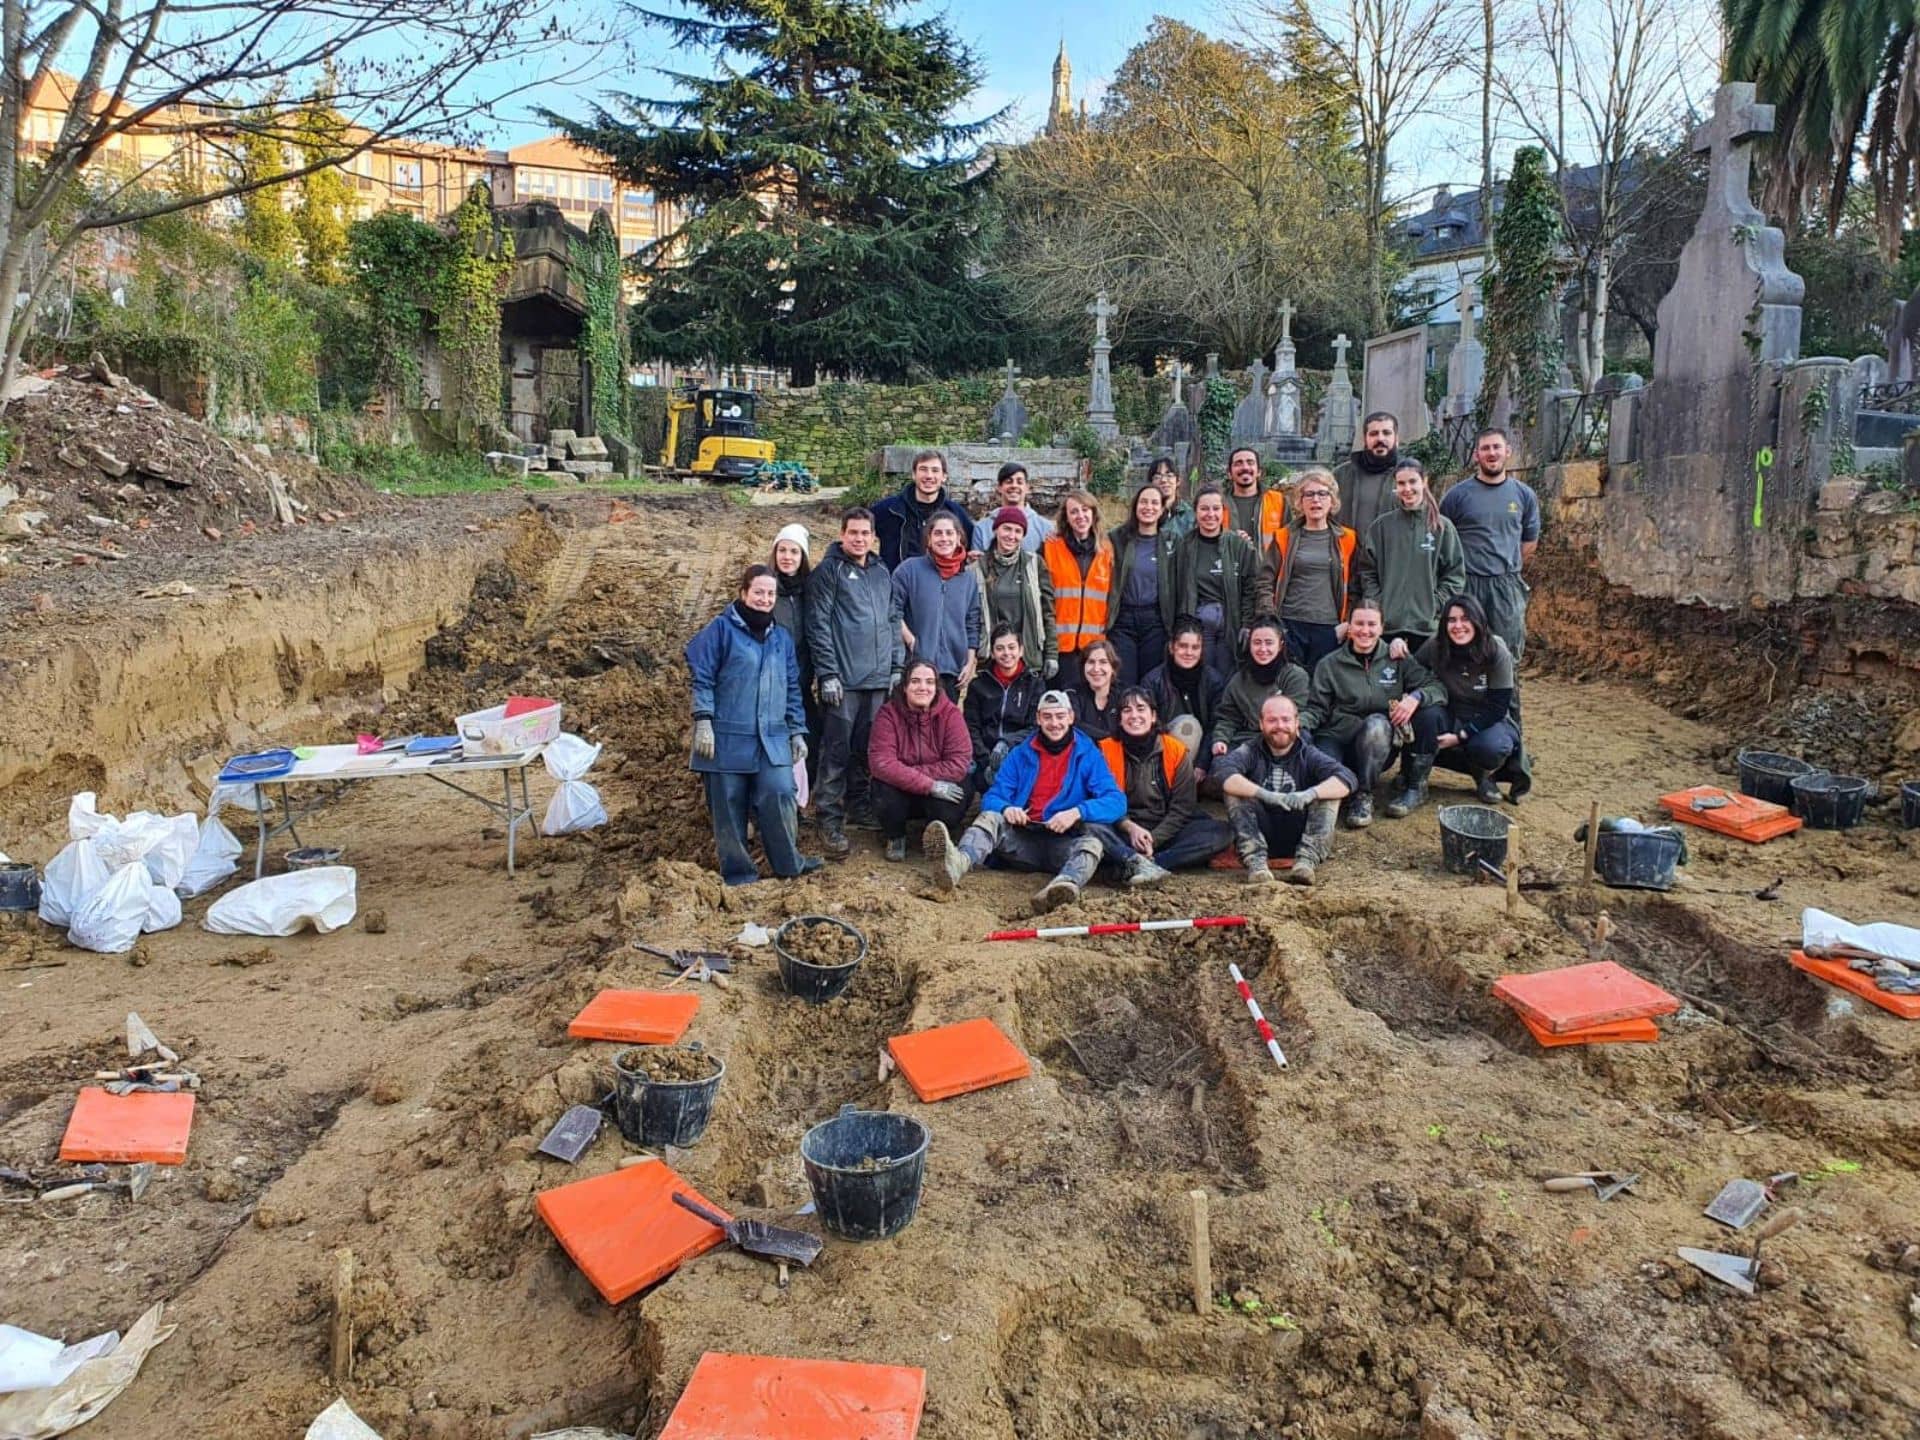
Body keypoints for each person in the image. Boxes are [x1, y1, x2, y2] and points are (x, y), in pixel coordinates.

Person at [923, 689, 1139, 911]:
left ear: (1071, 717)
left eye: (1060, 716)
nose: (1054, 723)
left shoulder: (1088, 754)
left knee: (1092, 845)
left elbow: (1116, 800)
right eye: (1047, 717)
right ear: (1038, 719)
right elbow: (992, 797)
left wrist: (1077, 812)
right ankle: (957, 863)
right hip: (1022, 839)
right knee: (989, 817)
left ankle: (1062, 887)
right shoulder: (1020, 753)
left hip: (1064, 841)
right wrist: (1007, 808)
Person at [686, 565, 822, 885]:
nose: (764, 599)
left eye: (770, 593)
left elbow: (792, 689)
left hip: (771, 738)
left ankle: (789, 864)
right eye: (758, 592)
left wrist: (797, 730)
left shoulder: (782, 639)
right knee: (728, 806)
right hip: (726, 736)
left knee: (779, 792)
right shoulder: (720, 630)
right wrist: (703, 720)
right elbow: (702, 677)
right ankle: (738, 874)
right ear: (744, 592)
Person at [805, 507, 904, 858]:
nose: (859, 539)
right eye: (853, 533)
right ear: (842, 534)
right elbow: (817, 626)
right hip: (843, 682)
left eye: (865, 533)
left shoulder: (881, 572)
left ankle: (858, 805)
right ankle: (828, 818)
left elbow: (893, 620)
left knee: (866, 749)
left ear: (873, 537)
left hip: (877, 681)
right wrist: (828, 673)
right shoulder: (828, 572)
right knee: (836, 750)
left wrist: (896, 665)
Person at [1299, 603, 1444, 827]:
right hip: (1336, 736)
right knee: (1326, 779)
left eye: (1371, 624)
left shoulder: (1397, 659)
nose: (1365, 631)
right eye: (1359, 623)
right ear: (1349, 627)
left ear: (1381, 628)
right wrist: (1299, 723)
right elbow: (1317, 708)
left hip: (1376, 743)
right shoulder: (1330, 664)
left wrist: (1415, 697)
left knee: (1377, 725)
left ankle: (1364, 795)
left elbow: (1436, 687)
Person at [1216, 695, 1354, 887]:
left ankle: (1306, 863)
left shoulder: (1309, 753)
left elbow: (1346, 778)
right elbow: (1224, 772)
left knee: (1329, 794)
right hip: (1260, 830)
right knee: (1235, 790)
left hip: (1299, 831)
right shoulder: (1249, 750)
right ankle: (1256, 865)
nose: (1279, 725)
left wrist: (1310, 794)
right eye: (1272, 720)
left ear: (1297, 723)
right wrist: (1265, 794)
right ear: (1261, 724)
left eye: (1286, 719)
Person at [1097, 687, 1233, 872]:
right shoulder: (1105, 751)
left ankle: (1154, 864)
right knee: (1091, 827)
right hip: (1122, 828)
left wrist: (1153, 838)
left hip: (1165, 829)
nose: (1134, 716)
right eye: (1127, 710)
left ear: (1153, 716)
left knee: (1222, 832)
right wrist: (1130, 828)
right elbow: (1102, 801)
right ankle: (1130, 859)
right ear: (1120, 720)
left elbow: (1182, 807)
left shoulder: (1175, 750)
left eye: (1141, 708)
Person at [1438, 427, 1540, 663]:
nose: (1491, 453)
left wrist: (1504, 568)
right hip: (1467, 585)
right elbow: (1442, 544)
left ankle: (1506, 700)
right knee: (1463, 650)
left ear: (1508, 451)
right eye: (1485, 448)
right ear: (1477, 455)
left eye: (1496, 447)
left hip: (1506, 586)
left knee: (1507, 653)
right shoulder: (1456, 496)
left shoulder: (1524, 495)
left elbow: (1529, 542)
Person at [1417, 594, 1528, 805]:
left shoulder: (1496, 650)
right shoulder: (1436, 645)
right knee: (1424, 717)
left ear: (1478, 620)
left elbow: (1497, 707)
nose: (1458, 626)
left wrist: (1461, 736)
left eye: (1465, 619)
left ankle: (1484, 776)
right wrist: (1396, 647)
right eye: (1452, 620)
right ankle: (1415, 781)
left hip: (1486, 718)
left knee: (1490, 747)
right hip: (1449, 712)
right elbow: (1413, 670)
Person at [867, 658, 974, 862]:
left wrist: (910, 774)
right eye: (915, 681)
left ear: (936, 687)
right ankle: (895, 836)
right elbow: (881, 762)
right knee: (883, 788)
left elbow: (959, 762)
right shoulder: (888, 714)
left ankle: (939, 835)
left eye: (929, 682)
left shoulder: (950, 714)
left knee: (959, 791)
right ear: (905, 686)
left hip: (931, 785)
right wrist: (928, 784)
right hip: (904, 789)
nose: (922, 687)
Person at [1357, 459, 1466, 656]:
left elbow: (1454, 575)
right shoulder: (1381, 527)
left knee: (1423, 683)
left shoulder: (1442, 527)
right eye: (1401, 483)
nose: (1407, 488)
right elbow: (1367, 571)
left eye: (1412, 482)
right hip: (1388, 626)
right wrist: (1379, 602)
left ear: (1424, 481)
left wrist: (1435, 603)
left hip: (1427, 627)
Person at [1265, 467, 1358, 673]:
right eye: (1309, 494)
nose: (1316, 500)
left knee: (1321, 687)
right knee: (1290, 683)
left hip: (1329, 627)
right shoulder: (1283, 537)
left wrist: (1347, 624)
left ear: (1332, 500)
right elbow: (1265, 581)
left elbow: (1356, 586)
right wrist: (1272, 621)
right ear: (1300, 501)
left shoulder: (1348, 539)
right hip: (1289, 622)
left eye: (1322, 494)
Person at [1168, 487, 1261, 682]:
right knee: (1203, 675)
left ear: (1223, 512)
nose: (1210, 514)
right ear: (1196, 512)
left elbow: (1251, 587)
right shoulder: (1185, 546)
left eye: (1216, 509)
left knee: (1229, 675)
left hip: (1230, 621)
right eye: (1204, 509)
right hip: (1199, 621)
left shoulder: (1238, 545)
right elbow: (1175, 588)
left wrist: (1246, 623)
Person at [891, 513, 982, 699]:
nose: (944, 538)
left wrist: (970, 661)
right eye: (938, 533)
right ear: (929, 540)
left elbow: (972, 622)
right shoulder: (909, 570)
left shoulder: (968, 579)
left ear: (959, 539)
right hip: (916, 668)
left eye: (949, 533)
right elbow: (891, 608)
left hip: (952, 670)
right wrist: (910, 640)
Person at [1208, 617, 1311, 768]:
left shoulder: (1295, 676)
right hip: (1247, 740)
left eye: (1269, 643)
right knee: (1219, 767)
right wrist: (1220, 739)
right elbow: (1228, 717)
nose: (1263, 649)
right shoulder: (1239, 679)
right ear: (1249, 645)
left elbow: (1300, 714)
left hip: (1281, 738)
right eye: (1257, 643)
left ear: (1280, 645)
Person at [974, 504, 1057, 679]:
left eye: (1018, 531)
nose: (1011, 536)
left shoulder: (1034, 564)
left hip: (1029, 656)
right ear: (996, 530)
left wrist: (1051, 654)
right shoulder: (978, 568)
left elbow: (1047, 611)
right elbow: (971, 617)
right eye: (1007, 529)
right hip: (992, 658)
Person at [1042, 490, 1113, 691]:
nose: (1080, 516)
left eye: (1085, 510)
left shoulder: (1107, 551)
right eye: (1074, 512)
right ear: (1066, 517)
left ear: (1094, 513)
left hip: (1093, 648)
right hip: (1059, 646)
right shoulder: (1050, 547)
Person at [1108, 483, 1177, 686]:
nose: (1149, 507)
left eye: (1155, 502)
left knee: (1151, 681)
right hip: (1124, 620)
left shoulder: (1172, 541)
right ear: (1135, 506)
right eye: (1143, 501)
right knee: (1124, 681)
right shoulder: (1117, 538)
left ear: (1163, 509)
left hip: (1155, 620)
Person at [964, 623, 1044, 790]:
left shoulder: (1034, 684)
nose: (1006, 653)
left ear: (1021, 650)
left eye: (1011, 647)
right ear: (992, 653)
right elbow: (971, 727)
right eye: (1000, 648)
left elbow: (1036, 727)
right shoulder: (978, 685)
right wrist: (986, 759)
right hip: (983, 756)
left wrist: (1006, 743)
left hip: (1019, 754)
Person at [768, 522, 818, 786]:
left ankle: (802, 795)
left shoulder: (810, 592)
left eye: (794, 552)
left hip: (802, 683)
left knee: (810, 737)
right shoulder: (766, 590)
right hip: (772, 686)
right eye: (783, 550)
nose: (787, 557)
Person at [871, 449, 973, 572]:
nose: (929, 476)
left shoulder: (955, 513)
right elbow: (857, 533)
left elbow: (970, 549)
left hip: (940, 586)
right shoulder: (889, 509)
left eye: (935, 470)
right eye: (923, 469)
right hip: (896, 586)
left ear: (944, 476)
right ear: (914, 474)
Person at [1142, 618, 1223, 766]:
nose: (1189, 653)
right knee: (1188, 726)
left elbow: (1216, 725)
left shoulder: (1213, 680)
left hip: (1203, 755)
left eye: (1195, 647)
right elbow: (1148, 726)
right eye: (1183, 646)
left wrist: (1202, 765)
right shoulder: (1153, 681)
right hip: (1163, 753)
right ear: (1172, 647)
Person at [1332, 411, 1401, 547]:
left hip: (1391, 558)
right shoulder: (1341, 475)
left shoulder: (1408, 477)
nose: (1380, 439)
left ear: (1396, 438)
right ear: (1365, 439)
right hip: (1348, 557)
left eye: (1386, 433)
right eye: (1373, 434)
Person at [969, 462, 1053, 554]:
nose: (1014, 485)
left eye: (1019, 482)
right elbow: (976, 565)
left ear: (1027, 488)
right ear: (999, 487)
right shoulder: (982, 528)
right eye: (1008, 481)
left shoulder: (1045, 528)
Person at [1223, 445, 1286, 552]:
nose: (1245, 467)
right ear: (1229, 473)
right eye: (1238, 463)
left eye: (1250, 462)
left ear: (1259, 472)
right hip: (1227, 566)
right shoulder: (1217, 504)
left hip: (1267, 567)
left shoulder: (1278, 501)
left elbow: (1290, 540)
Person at [1069, 638, 1123, 741]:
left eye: (1103, 662)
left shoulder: (1123, 696)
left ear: (1113, 668)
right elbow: (1073, 724)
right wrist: (1109, 738)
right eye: (1091, 662)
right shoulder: (1072, 694)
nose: (1096, 668)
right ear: (1083, 666)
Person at [1149, 456, 1195, 541]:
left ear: (1178, 481)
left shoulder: (1190, 515)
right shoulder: (1145, 513)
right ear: (1151, 483)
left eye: (1169, 475)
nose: (1163, 480)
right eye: (1158, 477)